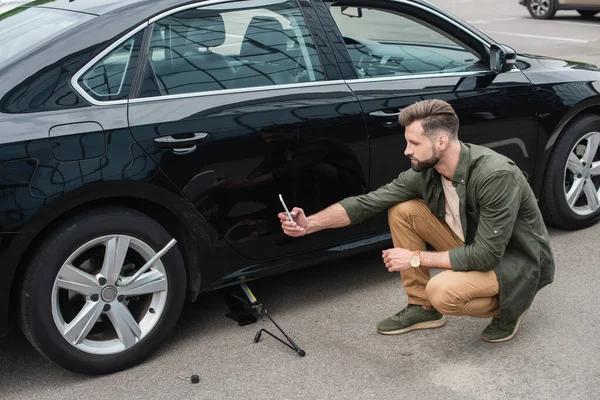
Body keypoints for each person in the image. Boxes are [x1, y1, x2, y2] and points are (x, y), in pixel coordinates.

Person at [278, 99, 555, 343]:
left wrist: (415, 258)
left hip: (514, 259)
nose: (406, 151)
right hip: (473, 243)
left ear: (441, 142)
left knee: (442, 292)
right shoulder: (426, 171)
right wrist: (310, 224)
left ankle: (513, 306)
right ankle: (422, 309)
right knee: (403, 210)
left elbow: (486, 255)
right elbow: (368, 202)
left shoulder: (493, 175)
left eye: (414, 143)